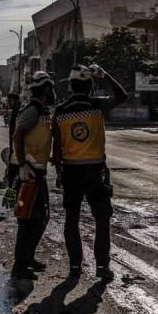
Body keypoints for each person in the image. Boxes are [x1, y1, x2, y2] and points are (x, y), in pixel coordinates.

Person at [53, 64, 127, 281]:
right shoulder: (97, 105)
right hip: (96, 171)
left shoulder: (60, 111)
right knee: (102, 219)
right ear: (89, 85)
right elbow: (122, 96)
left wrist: (58, 172)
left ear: (70, 86)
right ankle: (102, 267)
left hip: (70, 172)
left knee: (71, 219)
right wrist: (105, 75)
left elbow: (56, 146)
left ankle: (75, 267)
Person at [10, 72, 56, 280]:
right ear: (46, 88)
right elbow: (17, 135)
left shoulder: (42, 110)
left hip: (35, 171)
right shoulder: (33, 110)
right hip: (28, 171)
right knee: (29, 219)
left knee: (38, 217)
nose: (53, 92)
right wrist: (21, 165)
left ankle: (27, 258)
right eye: (51, 88)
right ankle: (20, 265)